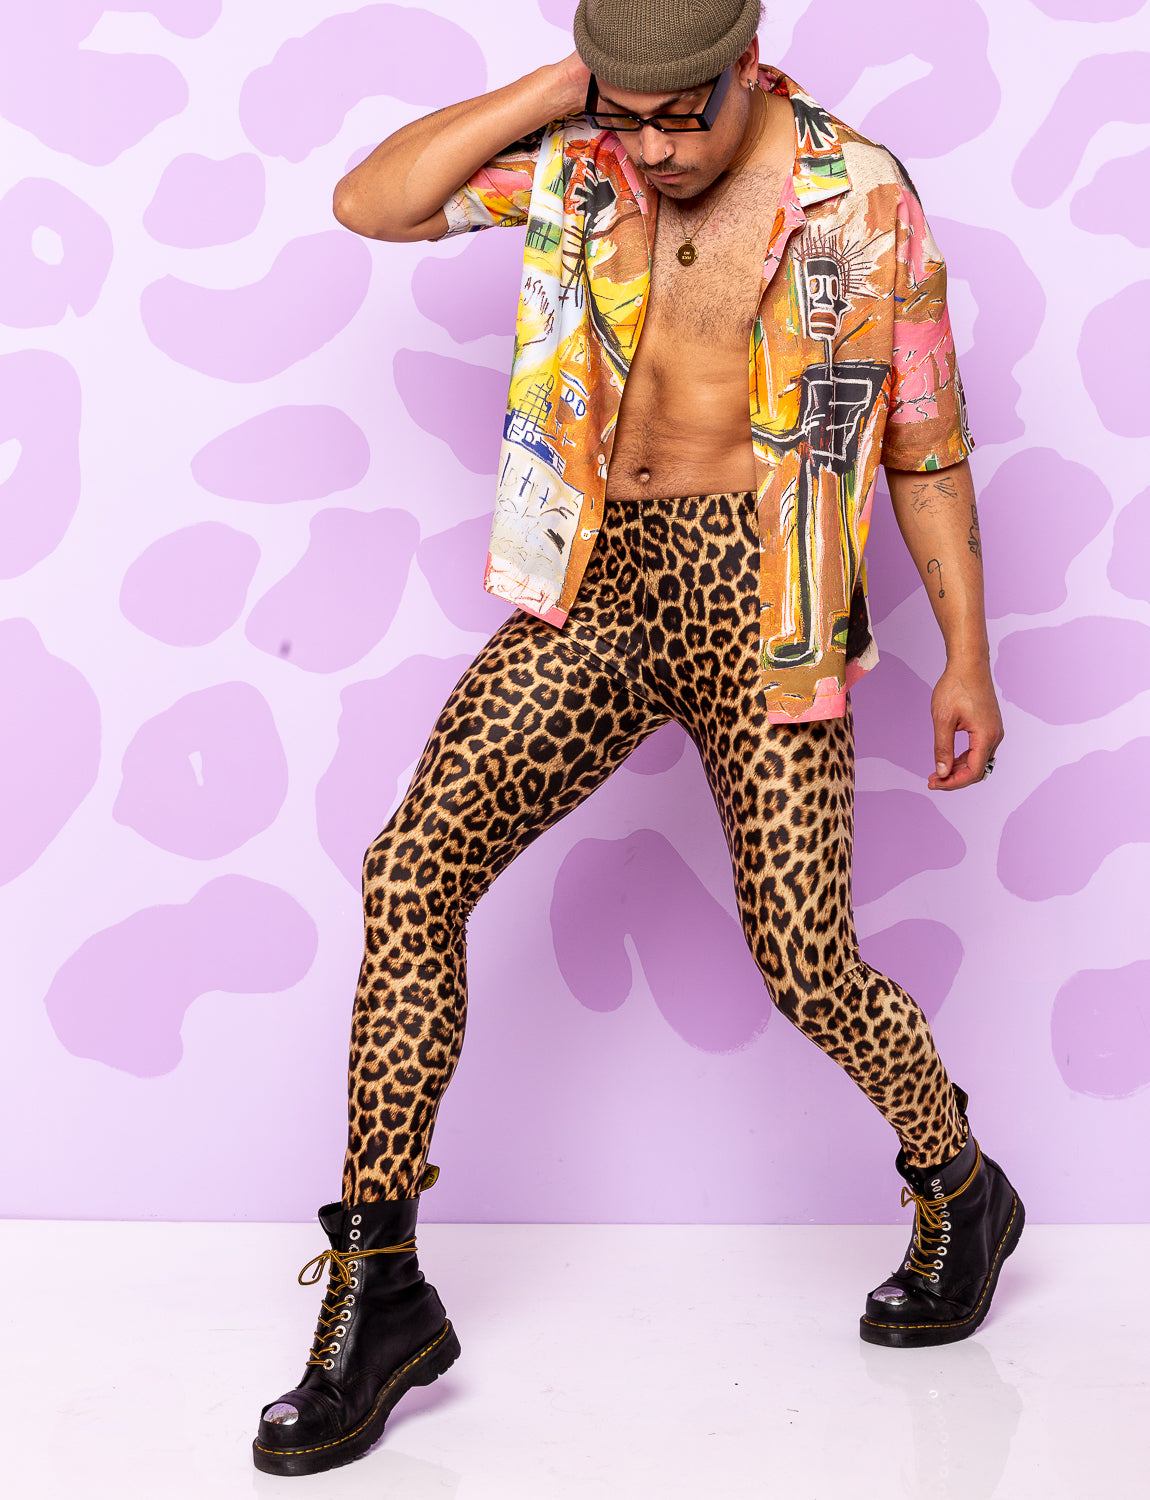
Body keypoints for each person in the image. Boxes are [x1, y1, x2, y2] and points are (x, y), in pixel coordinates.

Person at [252, 0, 1024, 1477]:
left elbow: (923, 439)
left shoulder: (858, 194)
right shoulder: (577, 154)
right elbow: (373, 204)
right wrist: (571, 91)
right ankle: (380, 1286)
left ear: (748, 68)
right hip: (599, 582)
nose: (660, 151)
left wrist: (968, 661)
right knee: (410, 873)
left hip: (767, 599)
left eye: (687, 115)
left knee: (804, 957)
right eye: (634, 115)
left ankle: (959, 1184)